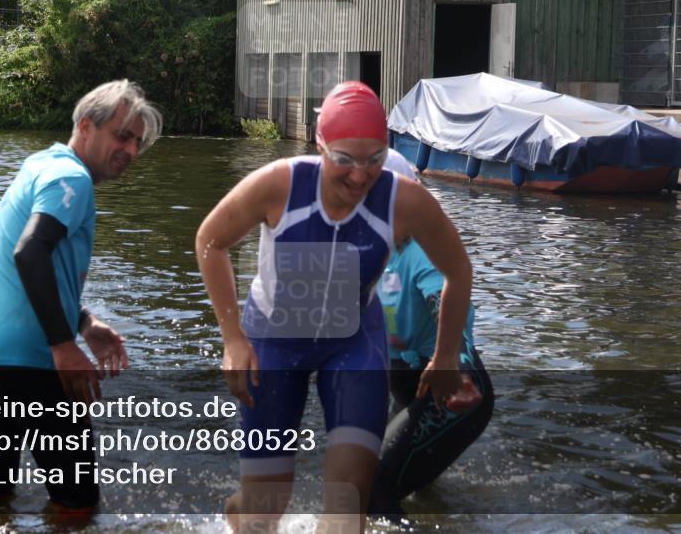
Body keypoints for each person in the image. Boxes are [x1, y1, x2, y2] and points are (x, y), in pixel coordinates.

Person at [195, 81, 473, 534]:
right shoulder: (279, 184)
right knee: (265, 509)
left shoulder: (405, 200)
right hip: (274, 341)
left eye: (374, 160)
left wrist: (445, 358)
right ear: (320, 146)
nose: (360, 176)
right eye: (344, 160)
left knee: (350, 499)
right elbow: (210, 241)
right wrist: (232, 339)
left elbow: (458, 271)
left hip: (352, 343)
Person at [0, 79, 162, 513]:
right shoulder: (72, 179)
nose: (131, 151)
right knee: (77, 506)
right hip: (30, 364)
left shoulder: (41, 164)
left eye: (138, 142)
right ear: (86, 126)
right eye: (122, 136)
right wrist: (64, 347)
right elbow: (30, 252)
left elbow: (26, 265)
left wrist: (83, 322)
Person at [369, 149, 494, 519]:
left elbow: (447, 297)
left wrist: (450, 358)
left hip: (453, 391)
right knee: (401, 488)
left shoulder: (419, 248)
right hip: (409, 390)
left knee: (370, 487)